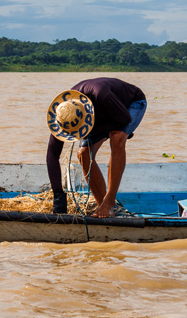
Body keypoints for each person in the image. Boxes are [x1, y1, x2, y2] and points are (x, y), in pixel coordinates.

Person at [45, 78, 147, 217]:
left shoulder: (102, 94)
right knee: (83, 154)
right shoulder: (64, 114)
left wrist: (100, 130)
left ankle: (109, 204)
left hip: (129, 105)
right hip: (100, 115)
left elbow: (125, 119)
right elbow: (52, 155)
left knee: (117, 138)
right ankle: (103, 207)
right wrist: (58, 197)